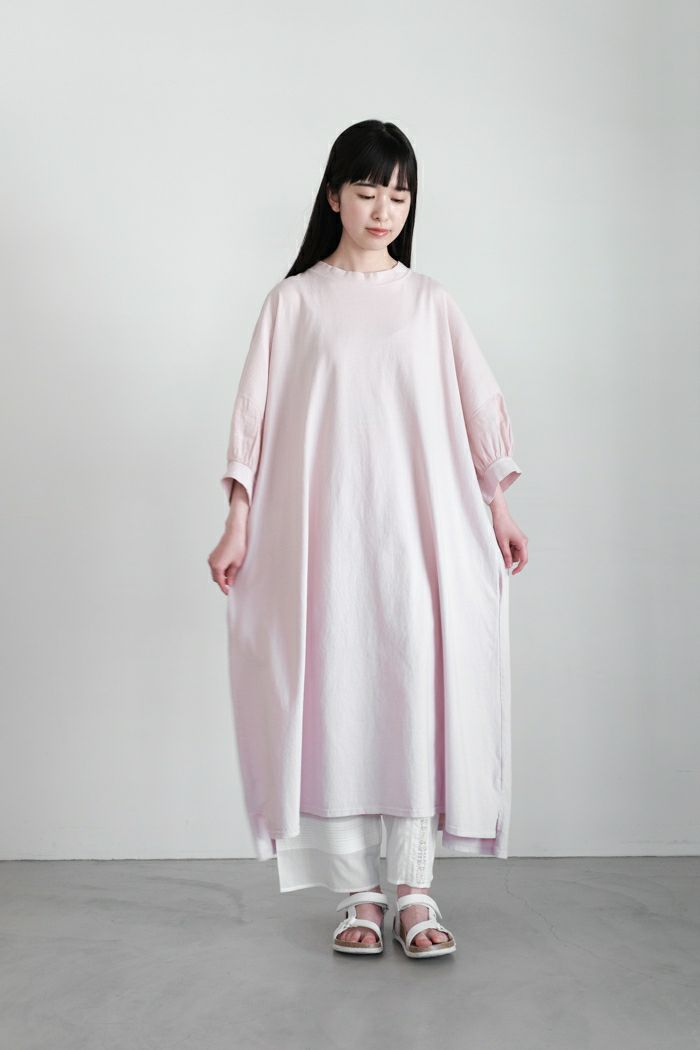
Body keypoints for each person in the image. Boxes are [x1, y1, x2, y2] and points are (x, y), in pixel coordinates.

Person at [208, 119, 528, 958]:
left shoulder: (430, 304)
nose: (384, 210)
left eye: (399, 195)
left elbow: (477, 405)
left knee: (413, 689)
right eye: (367, 191)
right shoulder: (293, 303)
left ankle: (414, 888)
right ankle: (358, 890)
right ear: (333, 197)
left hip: (419, 532)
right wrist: (237, 519)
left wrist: (498, 507)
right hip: (323, 537)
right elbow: (252, 419)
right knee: (335, 694)